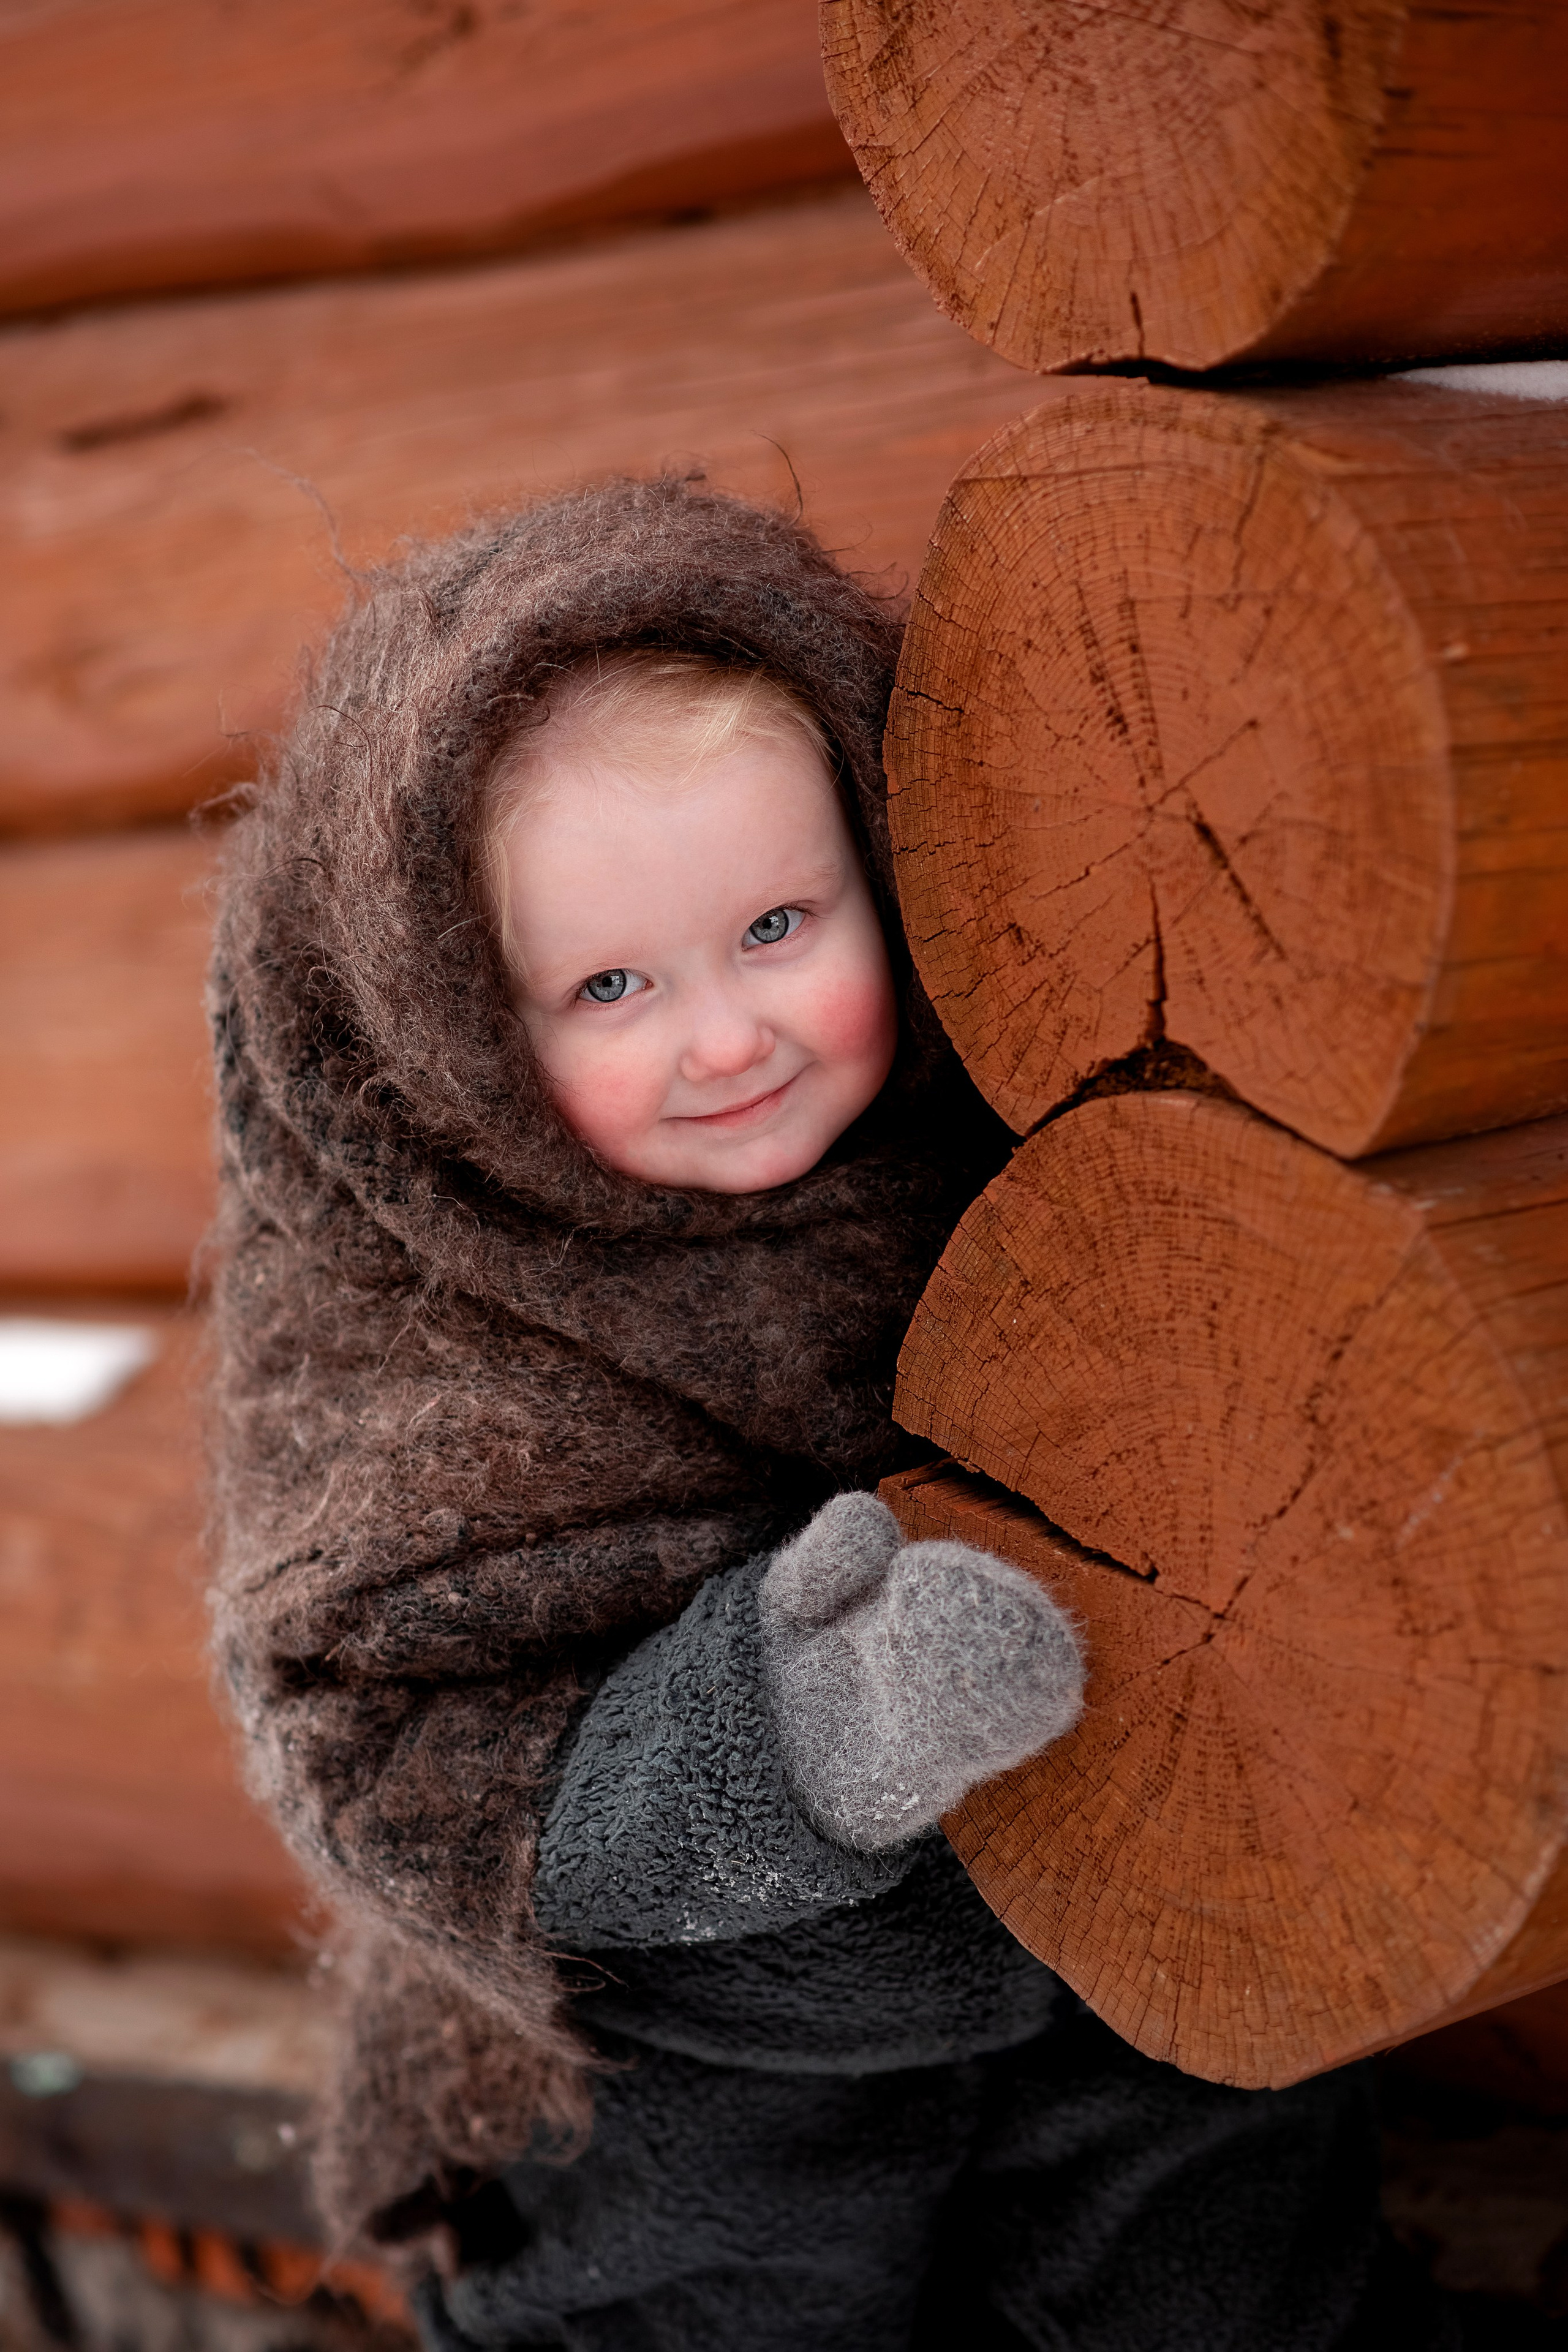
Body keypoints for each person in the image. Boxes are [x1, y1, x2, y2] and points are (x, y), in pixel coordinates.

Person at [206, 477, 1454, 2350]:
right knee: (700, 2264)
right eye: (612, 985)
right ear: (454, 1026)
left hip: (1102, 1950)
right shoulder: (421, 1328)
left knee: (1219, 2232)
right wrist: (784, 1739)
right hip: (689, 2067)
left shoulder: (1004, 1147)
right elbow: (397, 1741)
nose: (727, 1038)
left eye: (780, 926)